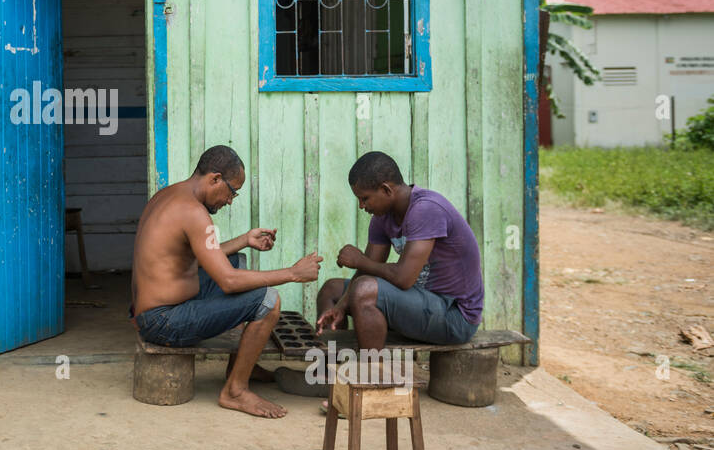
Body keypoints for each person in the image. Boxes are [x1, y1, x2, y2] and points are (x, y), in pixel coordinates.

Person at [130, 145, 322, 418]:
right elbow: (229, 282)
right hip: (163, 322)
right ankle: (235, 390)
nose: (231, 200)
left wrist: (245, 239)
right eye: (232, 191)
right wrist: (293, 273)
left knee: (237, 261)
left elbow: (194, 257)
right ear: (215, 178)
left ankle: (241, 367)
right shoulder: (194, 212)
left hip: (155, 309)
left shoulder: (170, 195)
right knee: (268, 299)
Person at [315, 151, 484, 348]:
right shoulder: (382, 217)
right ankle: (330, 363)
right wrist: (340, 306)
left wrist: (359, 260)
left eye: (365, 198)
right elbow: (366, 270)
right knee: (331, 290)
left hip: (454, 316)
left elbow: (403, 278)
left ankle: (373, 372)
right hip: (419, 302)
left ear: (386, 189)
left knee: (364, 290)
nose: (361, 206)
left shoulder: (426, 209)